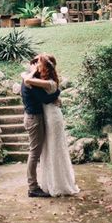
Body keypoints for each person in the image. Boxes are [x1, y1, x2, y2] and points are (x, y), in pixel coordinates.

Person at [21, 53, 80, 197]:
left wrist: (56, 91)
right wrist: (57, 93)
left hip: (49, 118)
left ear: (46, 68)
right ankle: (33, 187)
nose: (37, 66)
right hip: (35, 118)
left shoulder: (40, 81)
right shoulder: (30, 80)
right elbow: (46, 98)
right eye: (36, 64)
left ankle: (55, 182)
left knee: (52, 149)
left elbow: (46, 96)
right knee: (37, 152)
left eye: (39, 64)